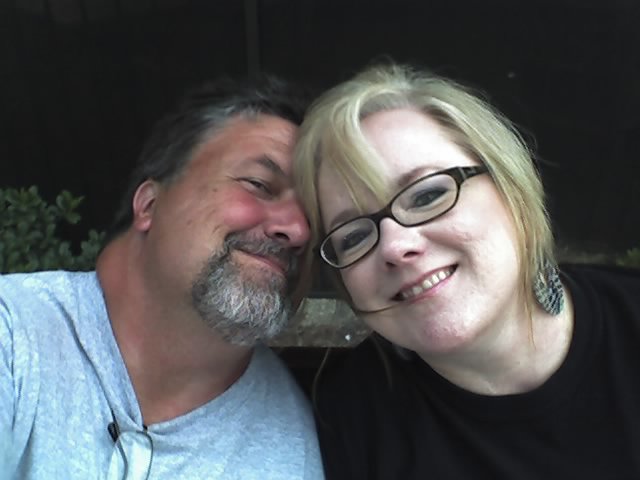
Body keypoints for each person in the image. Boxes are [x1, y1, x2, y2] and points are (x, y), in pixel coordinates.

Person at [293, 62, 640, 479]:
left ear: (512, 189)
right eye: (353, 237)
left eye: (426, 196)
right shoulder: (348, 421)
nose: (395, 247)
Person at [0, 76, 324, 479]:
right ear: (149, 205)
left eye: (315, 217)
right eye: (258, 184)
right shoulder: (15, 336)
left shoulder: (291, 453)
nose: (299, 230)